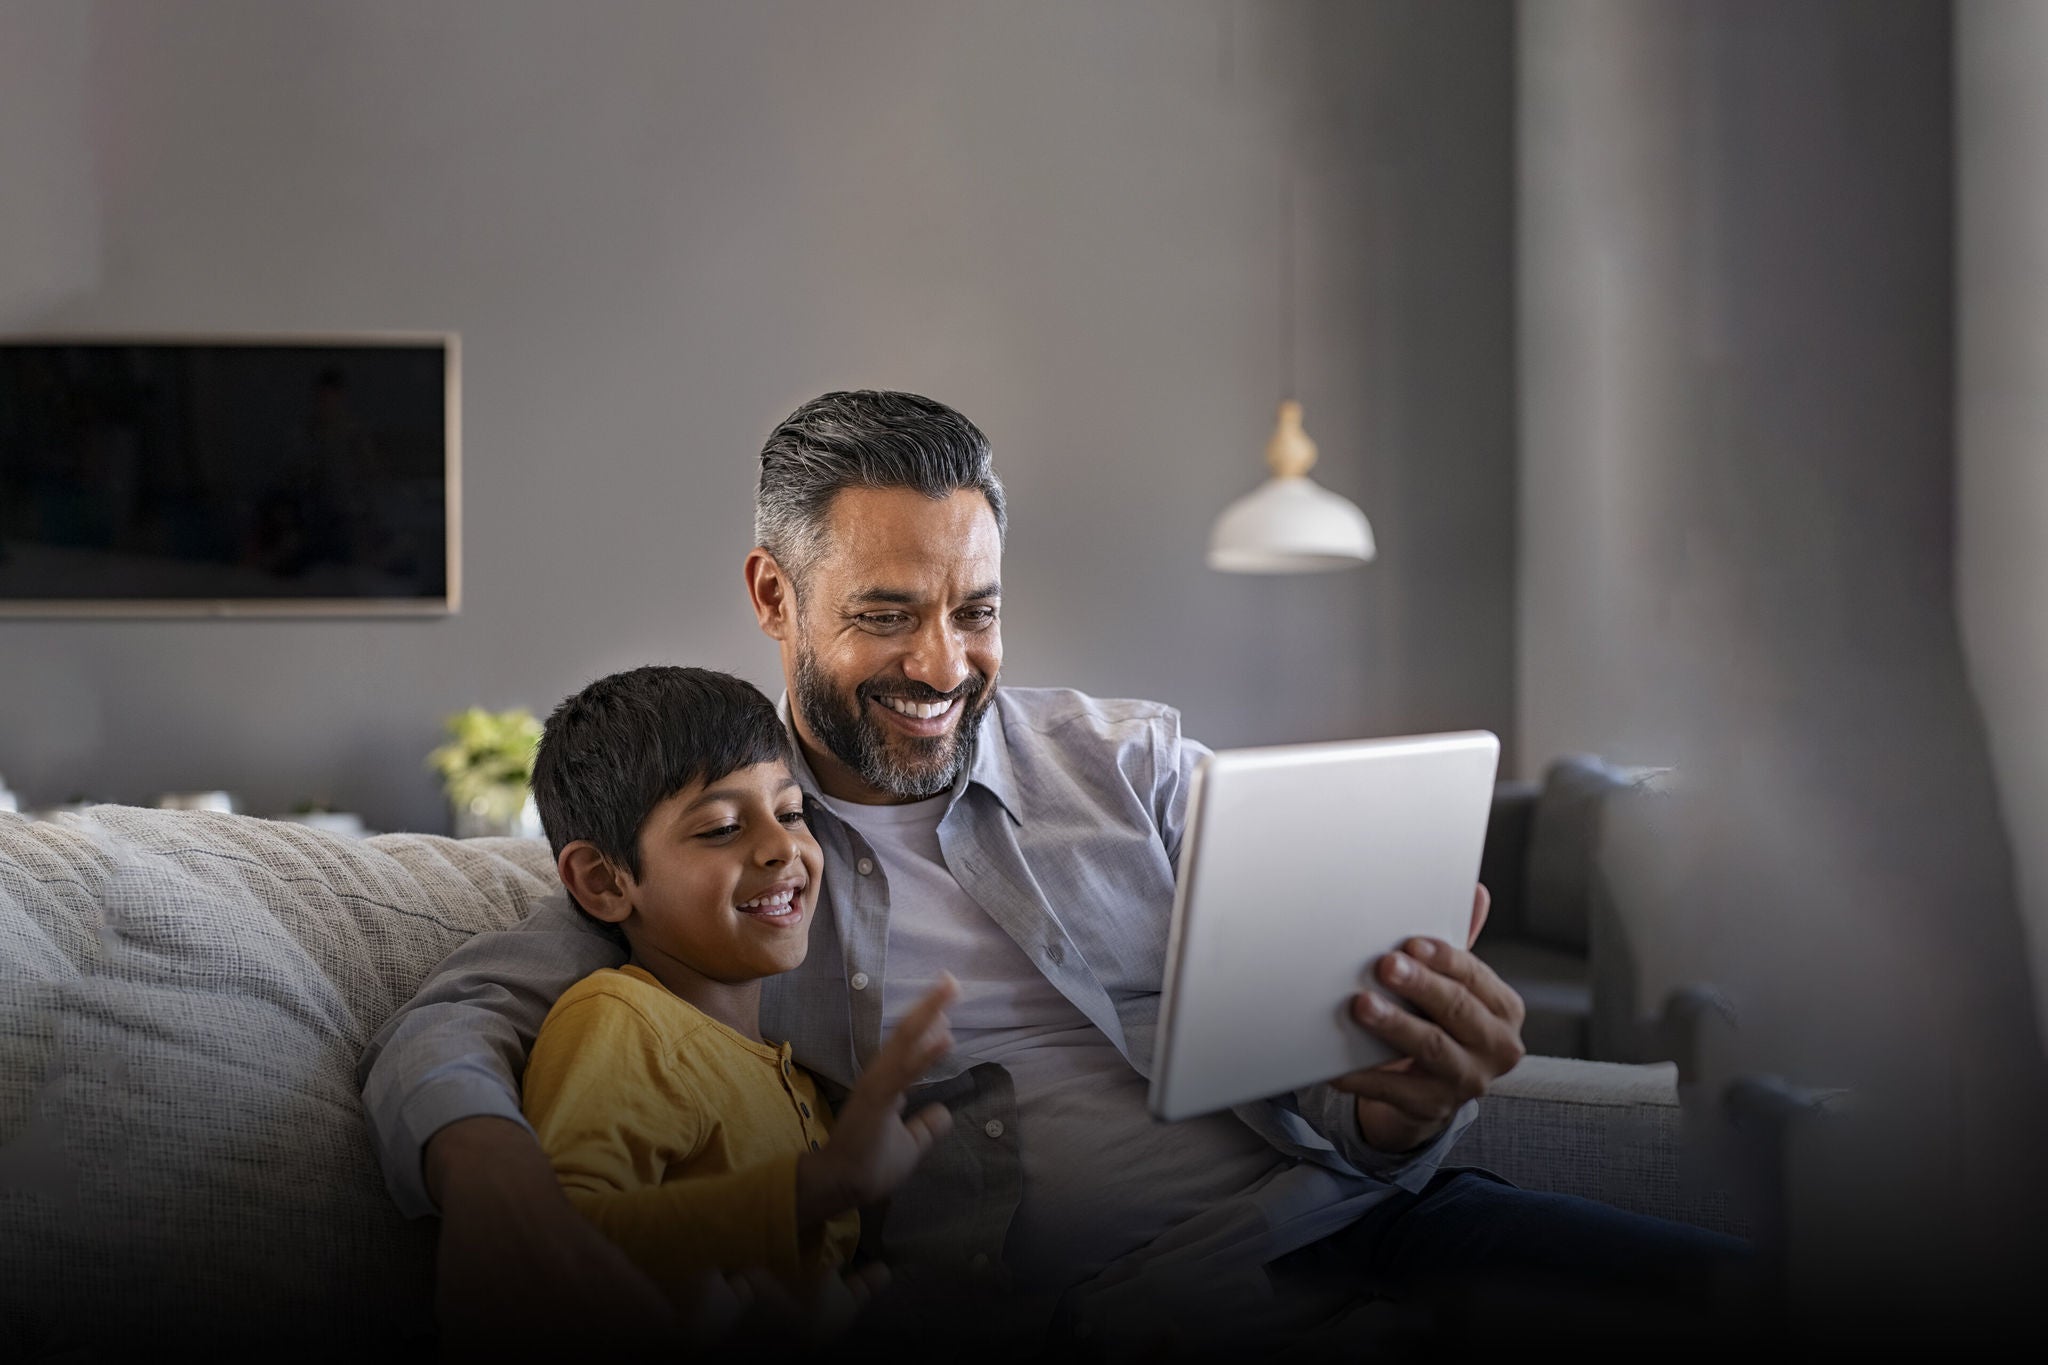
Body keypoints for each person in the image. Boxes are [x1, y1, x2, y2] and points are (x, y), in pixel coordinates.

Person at [359, 391, 1746, 1359]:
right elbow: (456, 1016)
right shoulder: (736, 852)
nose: (943, 666)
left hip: (1360, 1236)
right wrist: (491, 1181)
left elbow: (1346, 1085)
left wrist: (1406, 1107)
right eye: (886, 615)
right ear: (774, 598)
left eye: (978, 612)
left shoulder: (1134, 768)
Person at [516, 664, 958, 1325]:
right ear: (604, 880)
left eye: (790, 812)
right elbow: (554, 1240)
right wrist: (823, 1183)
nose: (782, 846)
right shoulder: (621, 1019)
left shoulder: (790, 1069)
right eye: (722, 826)